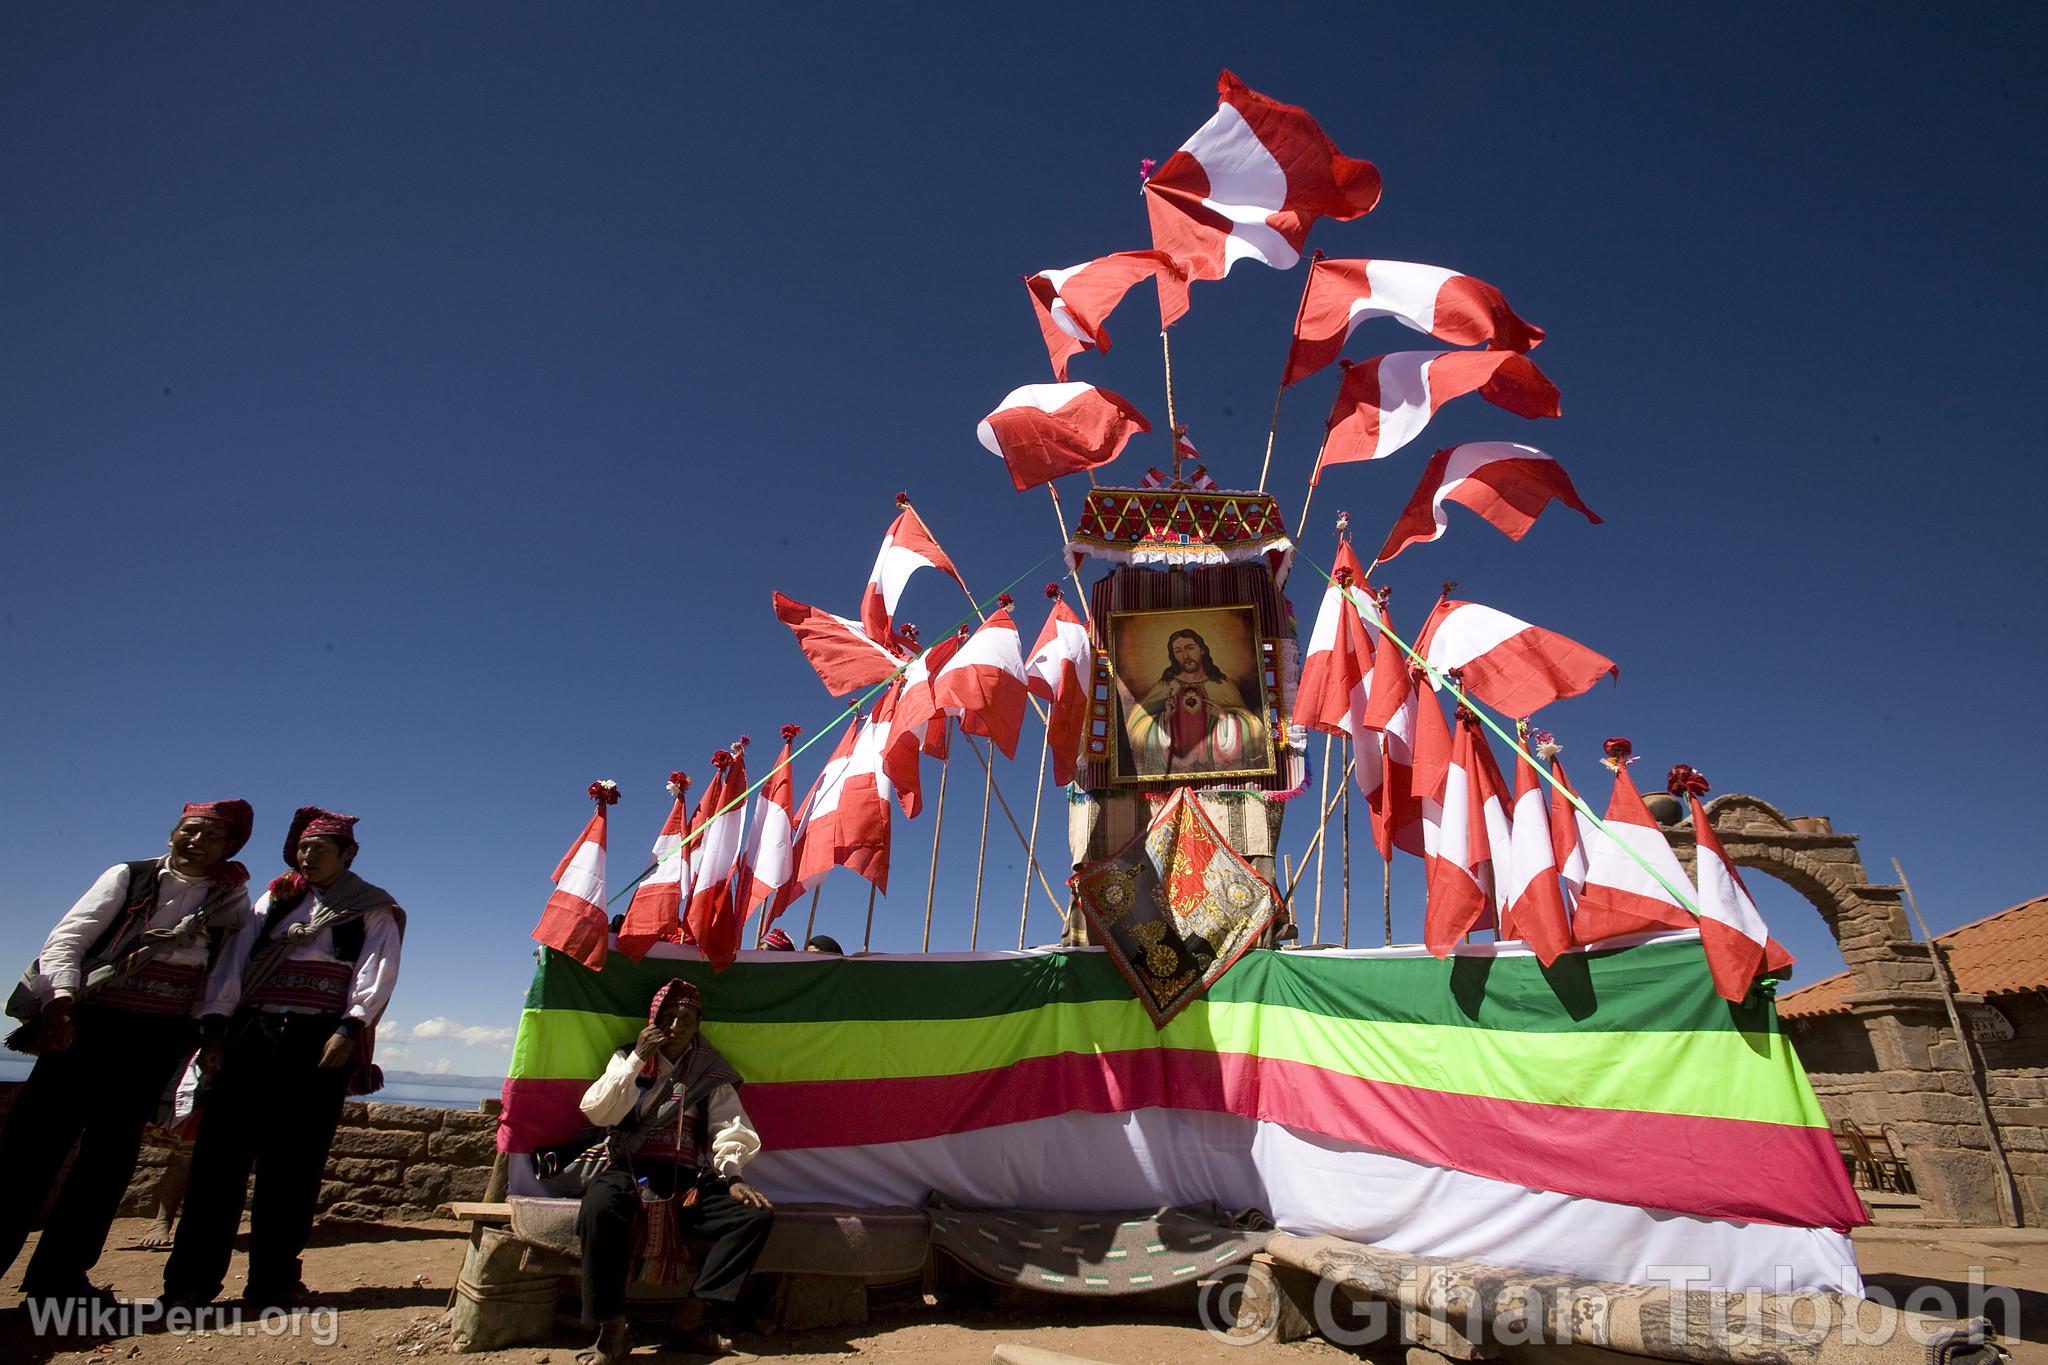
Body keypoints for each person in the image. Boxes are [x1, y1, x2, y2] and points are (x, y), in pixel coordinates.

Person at [0, 799, 255, 1305]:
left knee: (109, 1159)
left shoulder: (229, 903)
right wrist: (62, 1004)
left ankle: (59, 1281)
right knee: (30, 1151)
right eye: (190, 831)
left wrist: (211, 1033)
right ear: (172, 834)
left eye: (213, 837)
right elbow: (69, 938)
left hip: (157, 1042)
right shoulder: (129, 877)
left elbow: (222, 973)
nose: (198, 842)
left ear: (228, 848)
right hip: (85, 1028)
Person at [162, 807, 404, 1311]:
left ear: (349, 854)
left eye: (321, 849)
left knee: (293, 1166)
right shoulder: (276, 898)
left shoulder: (370, 909)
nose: (308, 856)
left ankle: (271, 1283)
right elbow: (234, 962)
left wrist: (350, 1028)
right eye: (303, 848)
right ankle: (189, 1285)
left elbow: (375, 972)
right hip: (253, 1031)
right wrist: (216, 1027)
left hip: (319, 1041)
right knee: (219, 1161)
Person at [574, 979, 773, 1364]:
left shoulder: (710, 1071)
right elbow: (599, 1111)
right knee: (599, 1209)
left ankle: (689, 1318)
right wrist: (636, 1060)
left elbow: (728, 1126)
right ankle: (612, 1328)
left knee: (753, 1217)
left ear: (699, 1023)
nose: (677, 1025)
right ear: (652, 1021)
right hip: (631, 1172)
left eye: (686, 1017)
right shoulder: (628, 1059)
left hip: (685, 1181)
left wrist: (732, 1176)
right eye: (667, 1017)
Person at [1116, 628, 1265, 776]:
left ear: (1202, 650)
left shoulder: (1221, 685)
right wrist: (1164, 718)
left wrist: (1225, 718)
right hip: (1173, 767)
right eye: (1178, 651)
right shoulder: (1166, 686)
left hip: (1214, 769)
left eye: (1190, 648)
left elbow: (1253, 726)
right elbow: (1135, 727)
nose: (1185, 655)